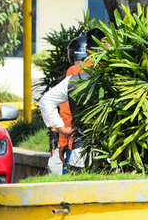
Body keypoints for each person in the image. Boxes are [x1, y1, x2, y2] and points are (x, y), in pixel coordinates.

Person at [39, 28, 107, 174]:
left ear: (87, 50)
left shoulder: (75, 74)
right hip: (112, 152)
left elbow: (63, 110)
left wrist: (63, 136)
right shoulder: (120, 73)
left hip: (80, 151)